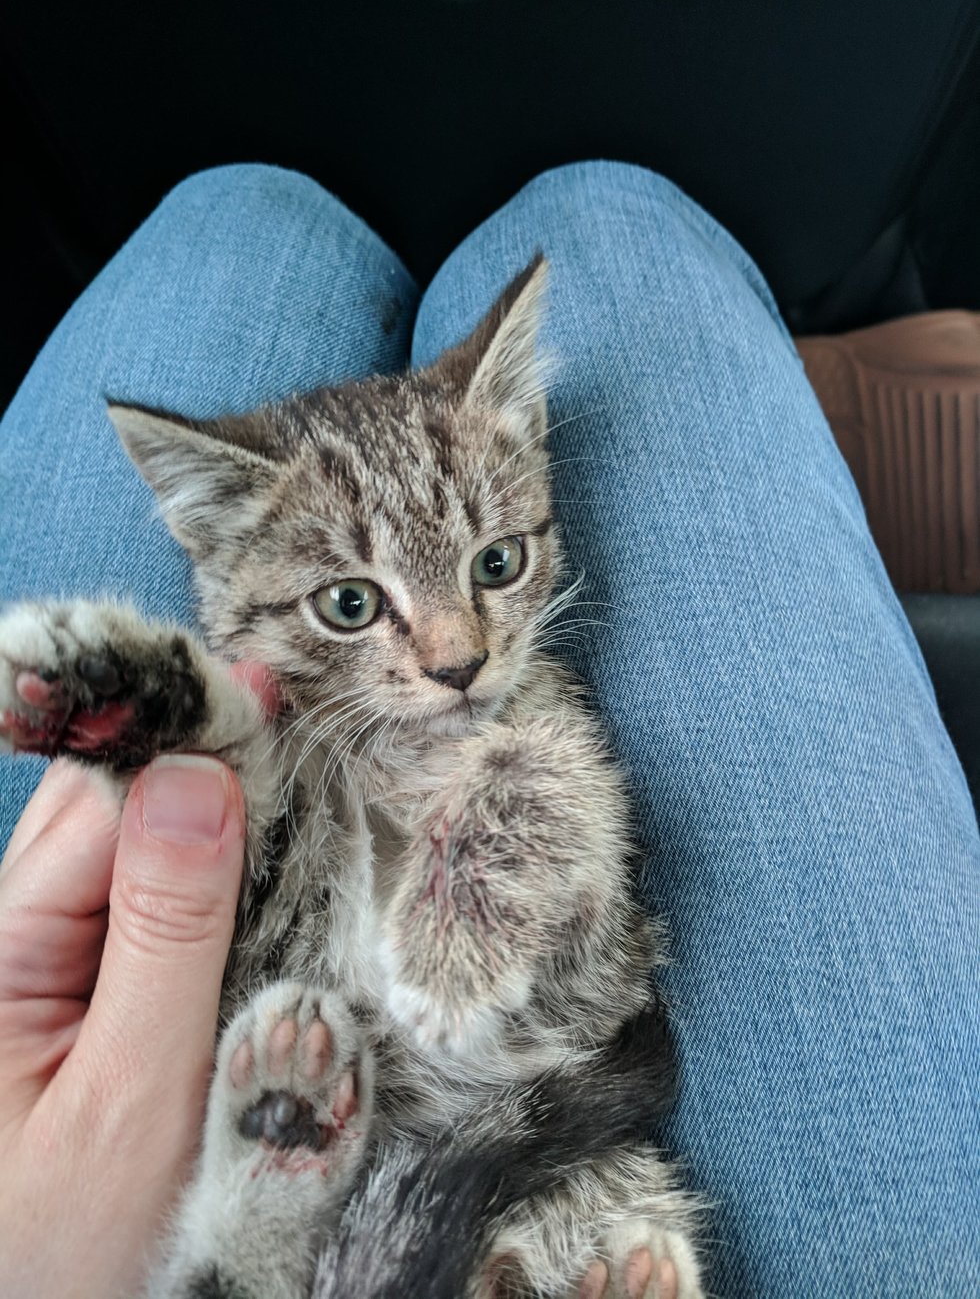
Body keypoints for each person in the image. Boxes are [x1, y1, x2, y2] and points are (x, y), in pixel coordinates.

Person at [0, 162, 977, 1298]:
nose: (456, 651)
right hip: (477, 1159)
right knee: (604, 208)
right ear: (216, 544)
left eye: (496, 563)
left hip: (360, 1152)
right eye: (352, 604)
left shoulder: (495, 705)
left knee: (243, 213)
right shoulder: (341, 728)